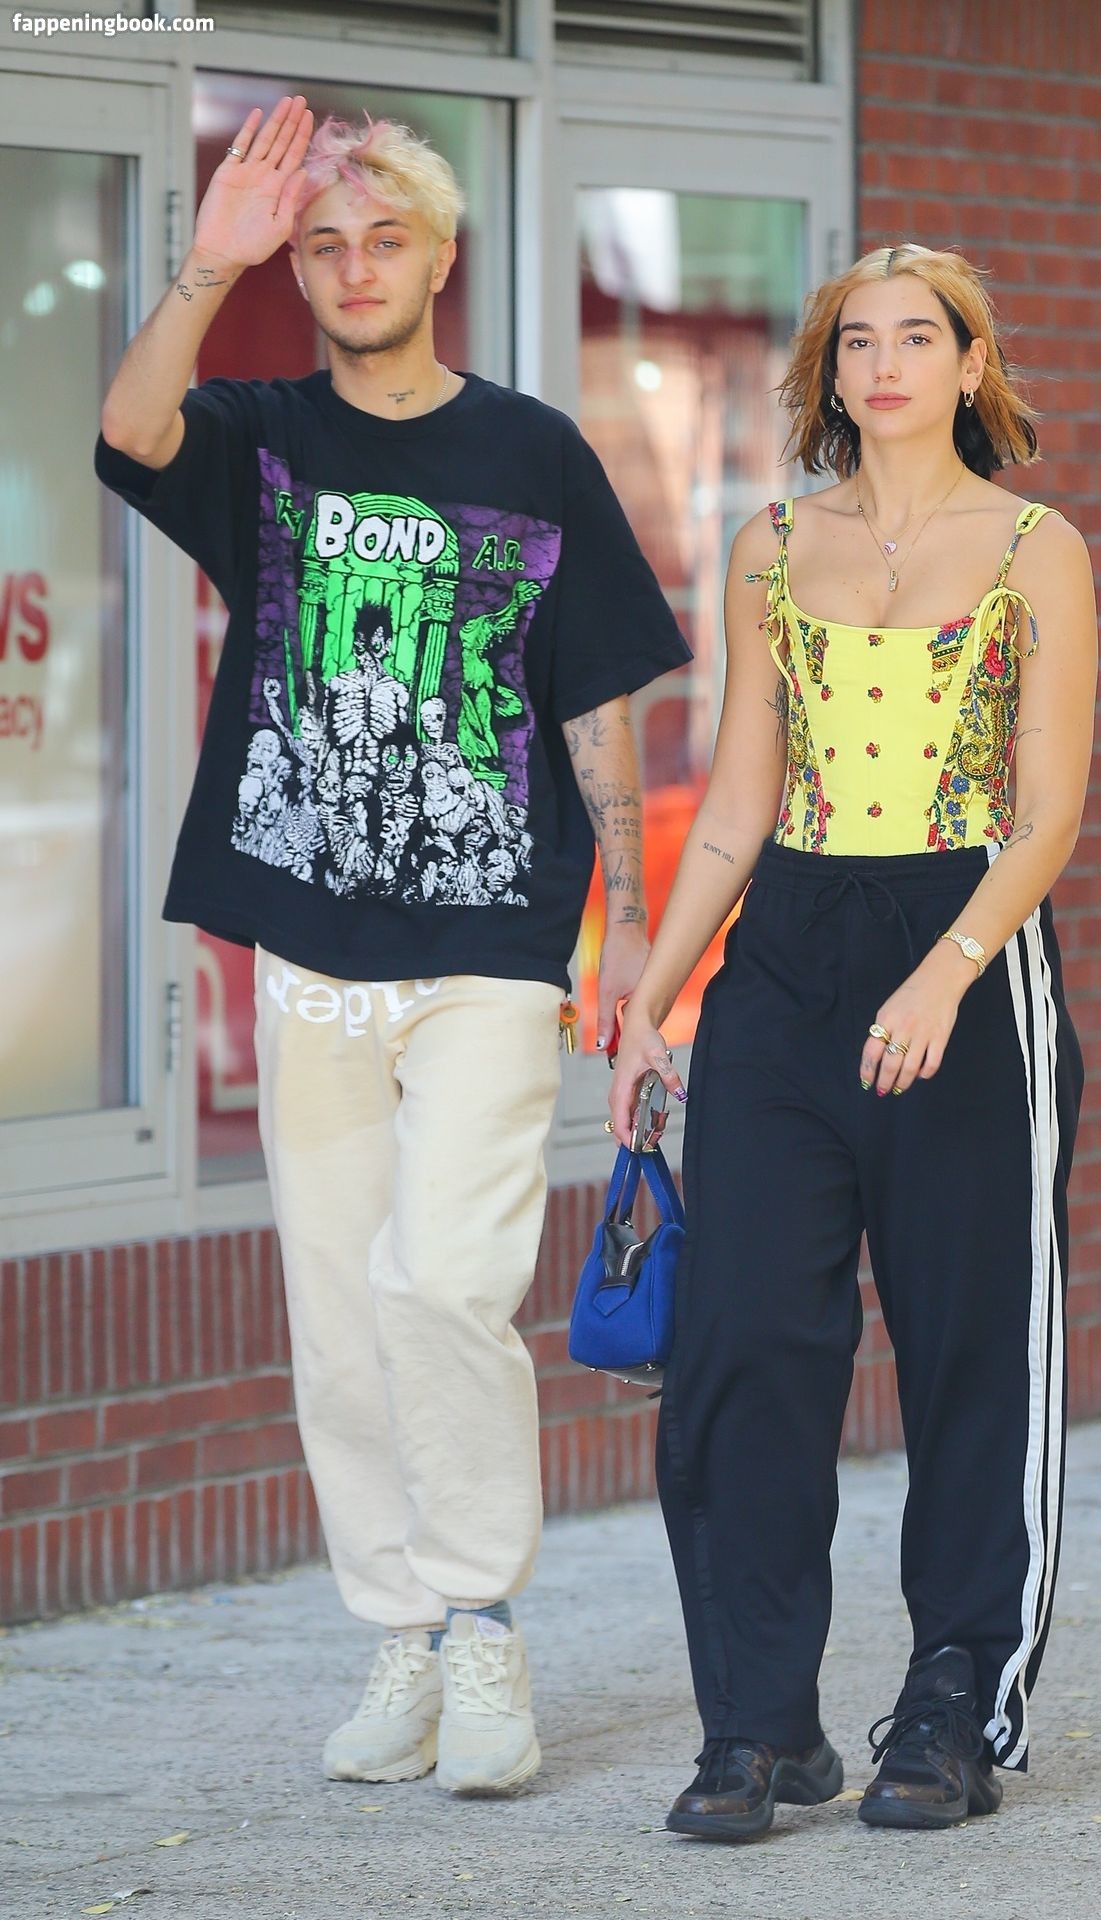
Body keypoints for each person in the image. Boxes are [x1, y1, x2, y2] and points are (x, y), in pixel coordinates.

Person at [96, 98, 689, 1795]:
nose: (354, 269)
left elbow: (594, 699)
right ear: (300, 272)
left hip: (494, 936)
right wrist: (211, 264)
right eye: (323, 247)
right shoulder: (261, 435)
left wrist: (628, 933)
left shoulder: (533, 450)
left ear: (442, 259)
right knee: (338, 1306)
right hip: (311, 941)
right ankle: (402, 1634)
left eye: (385, 240)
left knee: (444, 1282)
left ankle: (484, 1622)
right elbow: (129, 429)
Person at [609, 243, 1096, 1840]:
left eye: (916, 338)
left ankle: (956, 1700)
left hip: (968, 951)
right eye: (856, 342)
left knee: (969, 1348)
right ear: (829, 372)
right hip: (787, 960)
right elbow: (739, 801)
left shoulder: (1036, 548)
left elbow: (1048, 813)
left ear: (971, 363)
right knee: (742, 1343)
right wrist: (652, 999)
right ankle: (759, 1727)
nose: (883, 366)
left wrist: (949, 971)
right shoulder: (768, 545)